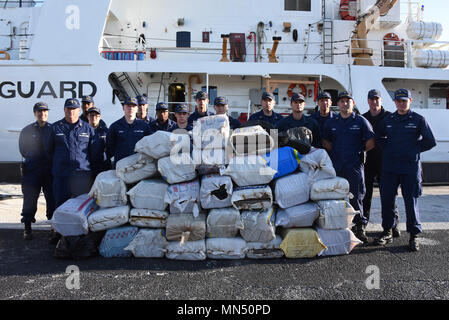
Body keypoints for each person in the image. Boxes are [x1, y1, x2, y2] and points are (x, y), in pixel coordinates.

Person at [374, 89, 436, 251]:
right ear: (394, 102)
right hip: (390, 167)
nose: (401, 104)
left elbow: (430, 141)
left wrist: (413, 149)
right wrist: (387, 149)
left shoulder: (418, 120)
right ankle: (387, 230)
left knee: (411, 201)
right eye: (398, 101)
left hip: (410, 167)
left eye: (404, 101)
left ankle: (414, 235)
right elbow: (379, 137)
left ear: (410, 100)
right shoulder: (389, 120)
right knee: (387, 200)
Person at [322, 91, 375, 243]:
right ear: (337, 104)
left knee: (356, 196)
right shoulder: (332, 122)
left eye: (348, 101)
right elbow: (325, 141)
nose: (345, 104)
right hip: (337, 164)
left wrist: (358, 152)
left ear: (353, 103)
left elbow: (371, 141)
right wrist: (338, 153)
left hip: (354, 165)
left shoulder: (361, 121)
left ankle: (359, 226)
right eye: (342, 101)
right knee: (336, 196)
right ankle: (339, 225)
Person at [361, 89, 400, 238]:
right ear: (368, 101)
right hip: (368, 162)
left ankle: (393, 224)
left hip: (386, 162)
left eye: (376, 99)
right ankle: (363, 223)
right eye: (371, 99)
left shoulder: (390, 117)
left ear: (381, 100)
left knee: (388, 195)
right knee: (366, 195)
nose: (374, 101)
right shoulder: (363, 118)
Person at [46, 98, 95, 210]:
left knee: (82, 207)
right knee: (60, 206)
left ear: (79, 110)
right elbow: (48, 151)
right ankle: (59, 228)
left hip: (81, 175)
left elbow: (93, 153)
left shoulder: (87, 129)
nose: (71, 112)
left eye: (74, 109)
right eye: (68, 109)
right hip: (61, 175)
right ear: (64, 110)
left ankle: (80, 228)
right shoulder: (55, 128)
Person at [19, 102, 56, 241]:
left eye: (45, 111)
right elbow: (22, 150)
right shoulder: (27, 130)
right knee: (29, 200)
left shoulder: (53, 129)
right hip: (32, 171)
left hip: (49, 171)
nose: (43, 114)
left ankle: (53, 229)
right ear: (35, 113)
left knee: (51, 200)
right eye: (40, 112)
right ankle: (27, 228)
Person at [106, 97, 152, 164]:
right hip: (121, 164)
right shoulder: (115, 126)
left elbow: (149, 144)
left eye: (133, 106)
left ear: (137, 109)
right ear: (123, 108)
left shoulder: (144, 126)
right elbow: (110, 147)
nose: (131, 108)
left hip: (138, 164)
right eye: (128, 106)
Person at [87, 107, 111, 178]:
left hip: (103, 167)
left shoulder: (106, 131)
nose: (94, 117)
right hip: (87, 167)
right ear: (88, 116)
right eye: (91, 115)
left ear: (100, 117)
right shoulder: (83, 131)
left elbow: (111, 148)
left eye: (96, 115)